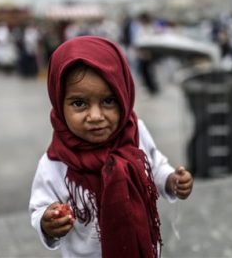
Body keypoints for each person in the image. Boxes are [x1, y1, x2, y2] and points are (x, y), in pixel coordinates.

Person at [29, 36, 193, 257]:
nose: (95, 116)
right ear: (59, 103)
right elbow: (39, 209)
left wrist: (172, 181)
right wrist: (47, 223)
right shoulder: (55, 163)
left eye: (108, 101)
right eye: (79, 103)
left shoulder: (135, 132)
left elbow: (154, 166)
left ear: (124, 97)